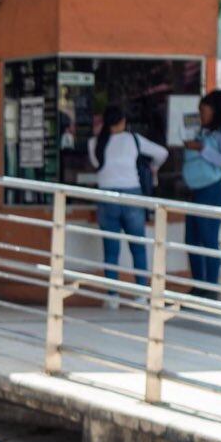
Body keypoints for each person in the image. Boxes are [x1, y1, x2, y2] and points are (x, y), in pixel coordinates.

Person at [88, 108, 169, 302]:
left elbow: (95, 165)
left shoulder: (94, 143)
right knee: (138, 246)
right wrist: (154, 168)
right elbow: (162, 153)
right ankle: (141, 292)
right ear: (123, 121)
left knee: (110, 249)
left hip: (106, 196)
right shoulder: (133, 140)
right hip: (132, 195)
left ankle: (112, 296)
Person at [179, 89, 221, 298]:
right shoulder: (204, 131)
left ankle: (211, 287)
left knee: (208, 237)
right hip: (197, 188)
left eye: (204, 111)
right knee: (192, 238)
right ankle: (199, 284)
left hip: (213, 188)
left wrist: (201, 149)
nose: (201, 115)